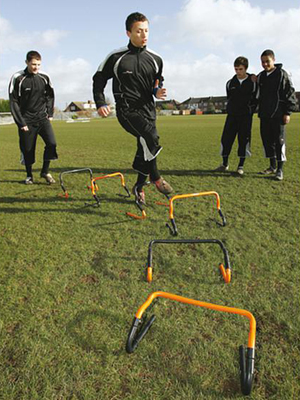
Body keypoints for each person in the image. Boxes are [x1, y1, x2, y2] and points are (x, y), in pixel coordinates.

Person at [93, 12, 173, 205]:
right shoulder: (116, 57)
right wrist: (101, 102)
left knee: (145, 147)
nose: (144, 35)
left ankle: (139, 187)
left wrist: (157, 91)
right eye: (139, 31)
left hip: (148, 110)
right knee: (151, 139)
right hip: (127, 110)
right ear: (128, 33)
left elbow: (157, 80)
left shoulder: (156, 58)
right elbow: (98, 79)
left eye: (146, 30)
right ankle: (155, 177)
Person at [9, 50, 58, 184]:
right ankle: (29, 175)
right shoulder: (18, 78)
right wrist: (21, 123)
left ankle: (45, 171)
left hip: (42, 118)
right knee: (28, 149)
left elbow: (50, 95)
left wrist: (50, 113)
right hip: (26, 121)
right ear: (27, 63)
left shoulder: (44, 77)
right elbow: (13, 102)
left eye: (39, 64)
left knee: (52, 143)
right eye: (33, 64)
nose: (36, 67)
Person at [257, 49, 297, 181]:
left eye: (267, 61)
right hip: (264, 115)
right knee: (267, 142)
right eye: (262, 62)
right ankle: (272, 166)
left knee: (279, 142)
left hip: (278, 115)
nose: (265, 64)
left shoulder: (281, 74)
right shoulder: (261, 76)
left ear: (273, 60)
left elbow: (290, 93)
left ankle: (280, 169)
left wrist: (287, 112)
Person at [215, 56, 257, 175]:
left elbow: (256, 99)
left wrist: (249, 110)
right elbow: (230, 98)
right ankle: (224, 164)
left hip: (246, 117)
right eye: (236, 69)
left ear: (246, 69)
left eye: (240, 69)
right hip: (232, 116)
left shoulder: (253, 82)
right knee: (226, 139)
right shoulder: (230, 83)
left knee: (243, 140)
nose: (238, 72)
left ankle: (240, 166)